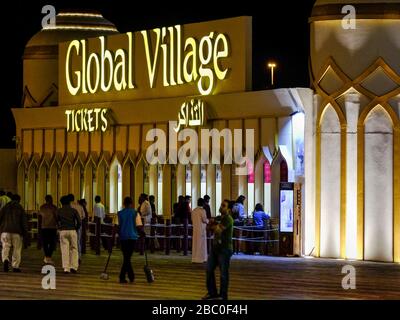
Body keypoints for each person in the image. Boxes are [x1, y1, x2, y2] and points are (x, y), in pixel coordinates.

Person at [203, 199, 234, 300]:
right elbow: (207, 228)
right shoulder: (218, 218)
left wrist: (212, 224)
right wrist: (212, 224)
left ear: (228, 209)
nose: (221, 207)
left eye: (224, 206)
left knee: (223, 274)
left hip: (224, 249)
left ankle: (223, 295)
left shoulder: (228, 219)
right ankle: (212, 293)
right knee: (209, 269)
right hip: (215, 248)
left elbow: (218, 230)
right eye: (221, 205)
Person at [117, 196, 145, 284]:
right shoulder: (135, 213)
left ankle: (127, 276)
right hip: (132, 237)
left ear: (124, 204)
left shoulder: (119, 213)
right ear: (131, 203)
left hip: (123, 237)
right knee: (127, 257)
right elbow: (139, 226)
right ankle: (127, 276)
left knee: (126, 257)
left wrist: (112, 238)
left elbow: (116, 226)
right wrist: (142, 233)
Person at [0, 194, 28, 272]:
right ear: (19, 200)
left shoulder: (5, 207)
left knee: (5, 247)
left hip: (5, 230)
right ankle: (15, 266)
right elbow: (24, 222)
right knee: (17, 249)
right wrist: (25, 234)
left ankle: (5, 259)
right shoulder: (20, 208)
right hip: (17, 232)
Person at [56, 195, 81, 274]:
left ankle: (66, 268)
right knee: (74, 248)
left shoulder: (59, 211)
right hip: (72, 230)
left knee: (64, 249)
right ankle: (74, 267)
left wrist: (60, 227)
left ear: (61, 203)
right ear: (69, 202)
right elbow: (79, 221)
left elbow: (57, 220)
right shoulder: (74, 210)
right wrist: (76, 228)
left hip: (63, 230)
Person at [38, 195, 58, 265]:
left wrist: (39, 228)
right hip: (52, 227)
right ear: (50, 199)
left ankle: (47, 256)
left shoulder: (42, 207)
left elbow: (40, 218)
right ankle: (48, 256)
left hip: (44, 227)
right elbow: (57, 217)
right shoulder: (54, 207)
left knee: (45, 243)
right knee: (52, 243)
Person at [191, 198, 209, 263]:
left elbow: (192, 220)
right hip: (201, 229)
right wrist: (208, 221)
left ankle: (194, 258)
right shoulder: (202, 211)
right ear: (203, 203)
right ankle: (202, 258)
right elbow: (204, 220)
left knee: (195, 244)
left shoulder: (193, 210)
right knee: (201, 244)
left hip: (195, 229)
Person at [69, 194, 85, 261]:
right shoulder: (79, 206)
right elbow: (83, 216)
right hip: (79, 226)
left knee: (70, 242)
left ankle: (71, 257)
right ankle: (79, 256)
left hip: (70, 226)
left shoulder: (68, 207)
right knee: (78, 241)